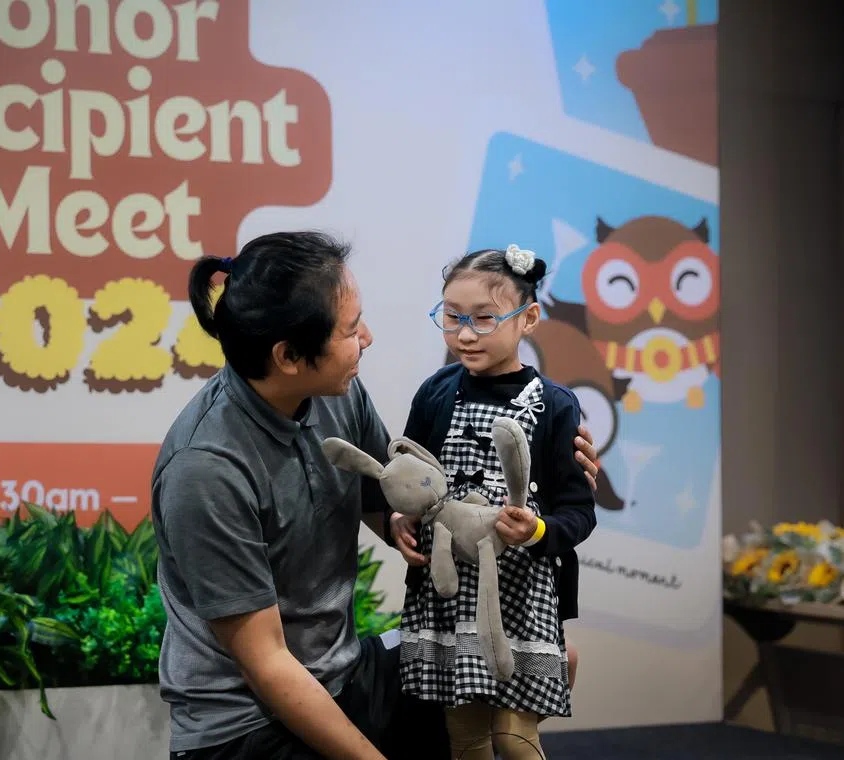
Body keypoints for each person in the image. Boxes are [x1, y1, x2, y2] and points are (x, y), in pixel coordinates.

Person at [150, 231, 600, 759]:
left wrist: (400, 524)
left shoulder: (333, 389)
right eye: (349, 329)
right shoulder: (207, 470)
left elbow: (393, 491)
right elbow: (267, 664)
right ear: (289, 356)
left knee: (491, 681)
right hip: (248, 723)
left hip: (346, 673)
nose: (367, 337)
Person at [389, 245, 597, 760]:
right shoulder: (435, 393)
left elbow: (579, 511)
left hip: (523, 598)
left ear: (527, 319)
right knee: (465, 737)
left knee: (514, 737)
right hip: (447, 594)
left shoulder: (554, 404)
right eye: (453, 317)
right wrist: (401, 519)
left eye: (484, 319)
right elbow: (409, 478)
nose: (464, 334)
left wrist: (538, 529)